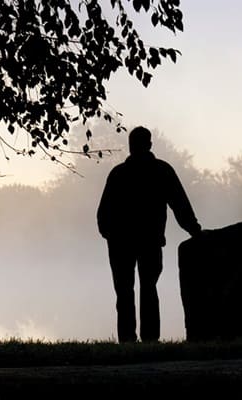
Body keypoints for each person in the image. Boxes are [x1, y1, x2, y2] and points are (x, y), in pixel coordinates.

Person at [97, 126, 202, 343]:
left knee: (125, 292)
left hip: (122, 243)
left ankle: (128, 340)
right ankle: (150, 340)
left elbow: (103, 214)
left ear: (131, 145)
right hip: (149, 241)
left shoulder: (119, 174)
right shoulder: (162, 171)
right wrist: (194, 230)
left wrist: (111, 236)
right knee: (148, 289)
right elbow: (180, 205)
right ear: (150, 144)